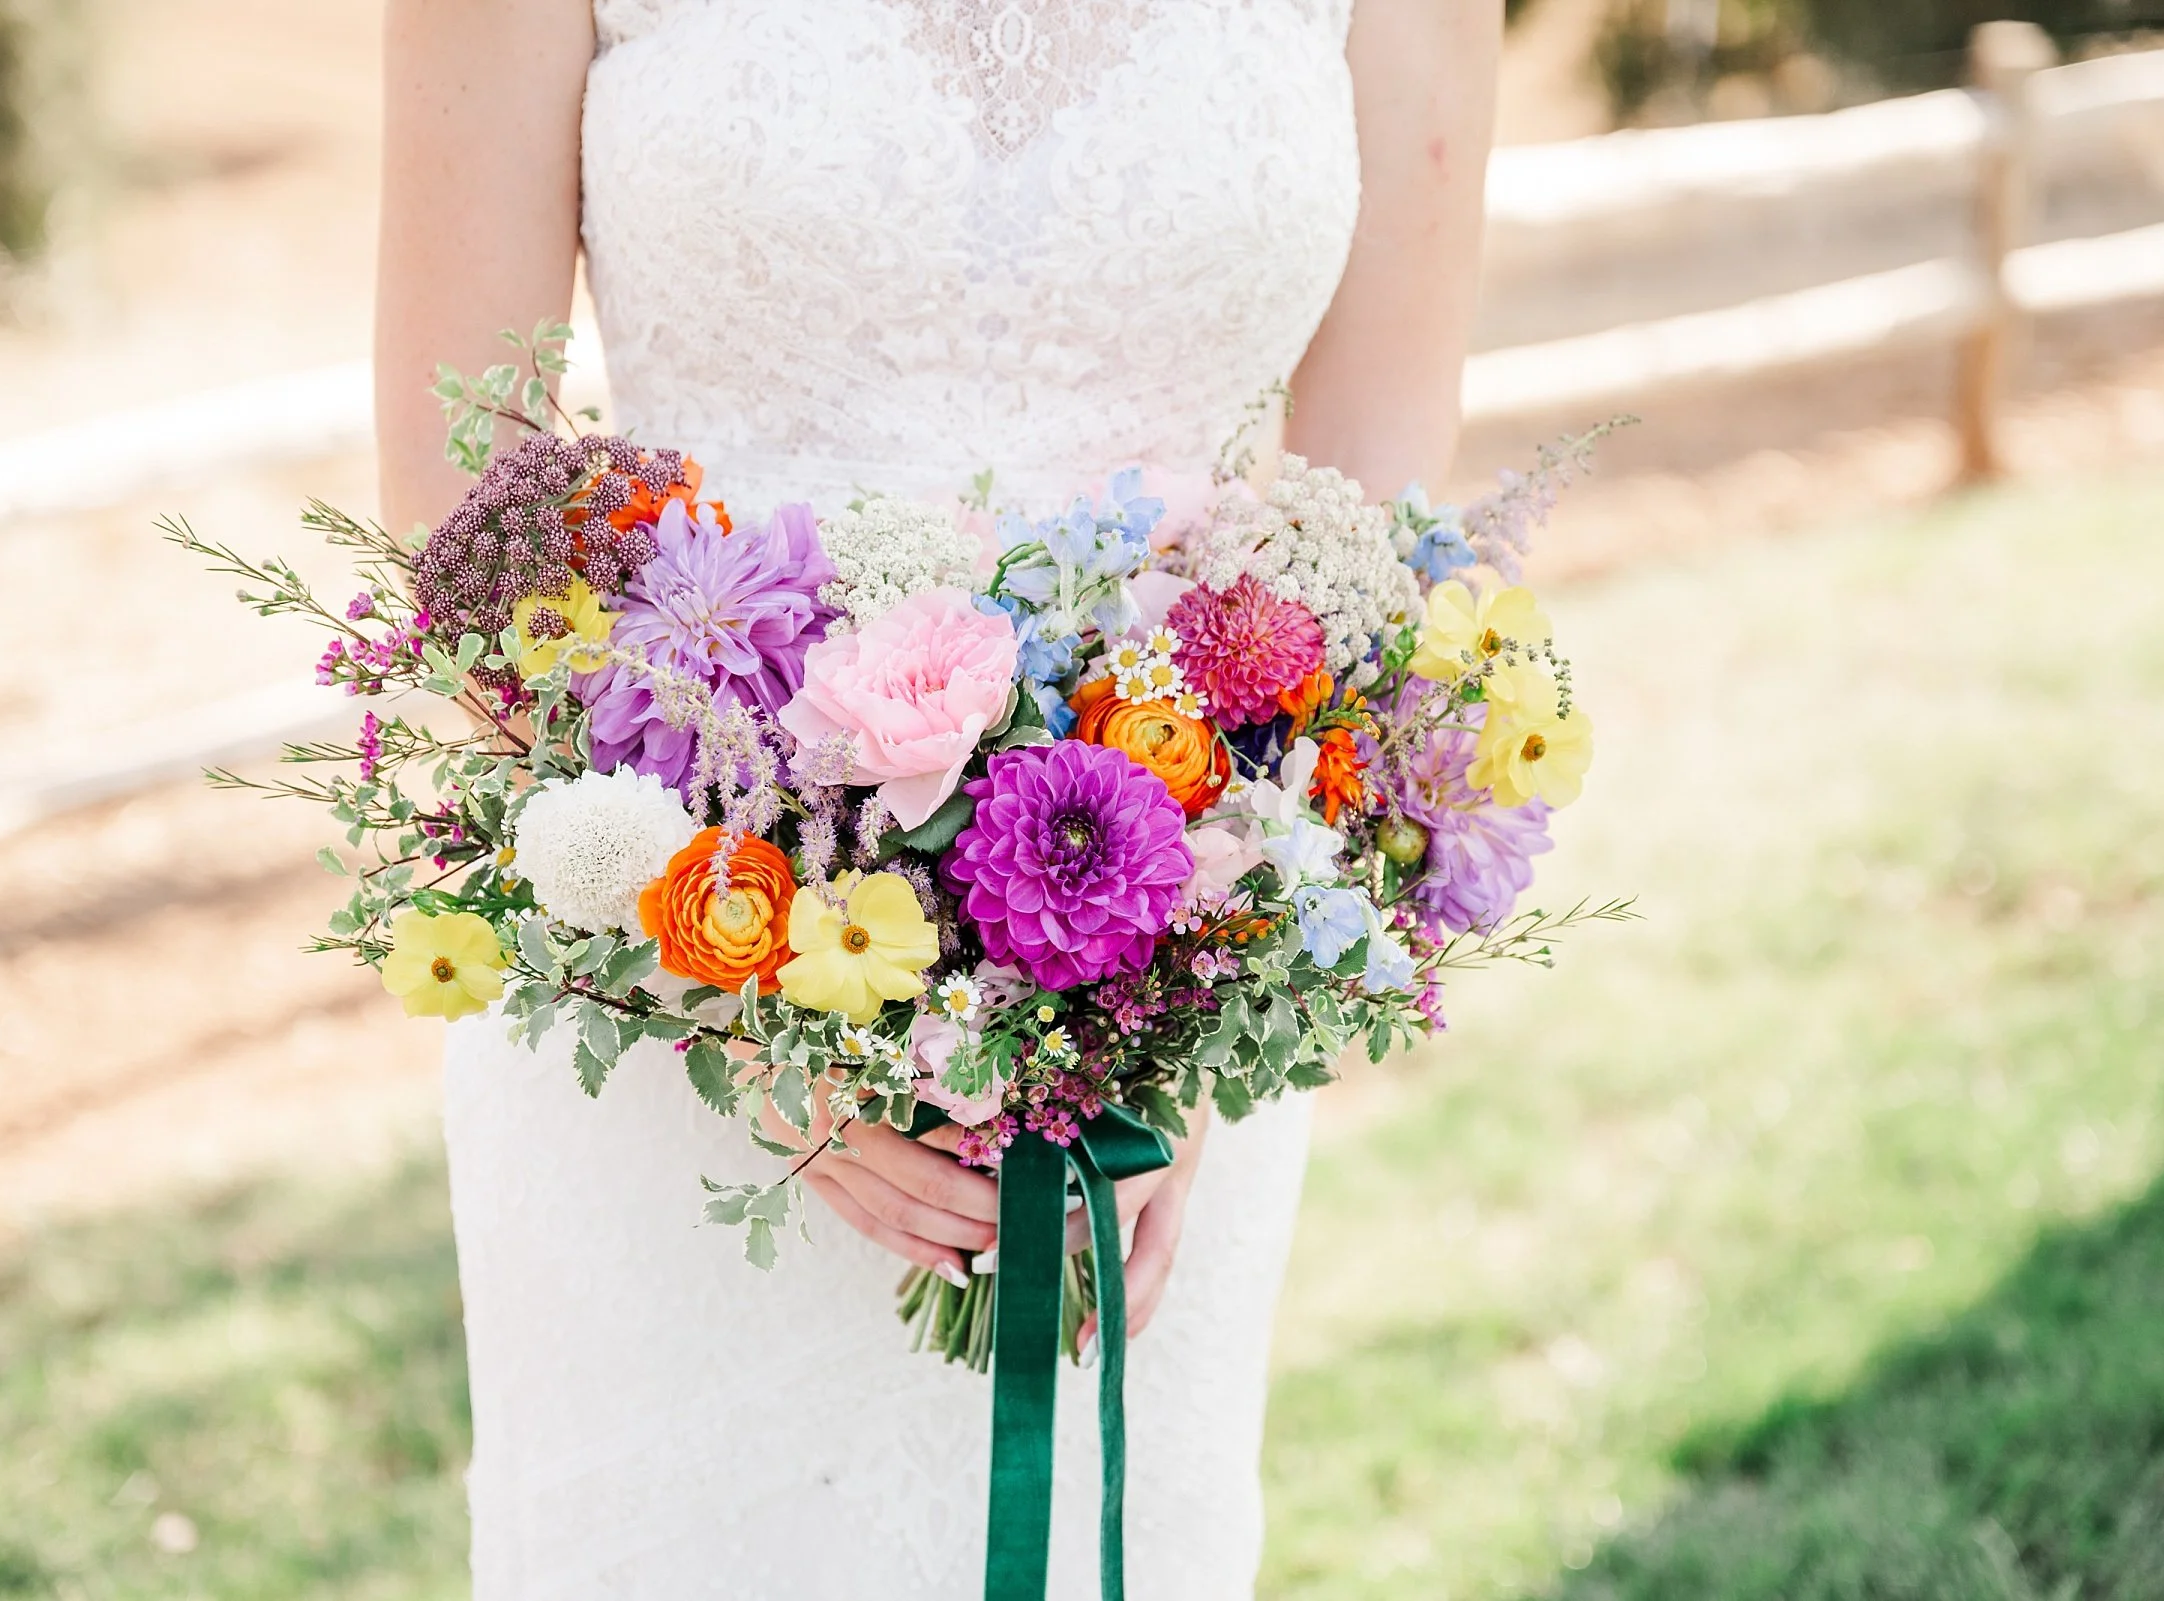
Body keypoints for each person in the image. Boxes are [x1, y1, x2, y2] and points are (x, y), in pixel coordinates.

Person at [374, 2, 1499, 1594]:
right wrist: (729, 994)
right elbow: (459, 486)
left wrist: (1204, 975)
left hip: (1155, 1012)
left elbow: (1378, 490)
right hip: (664, 973)